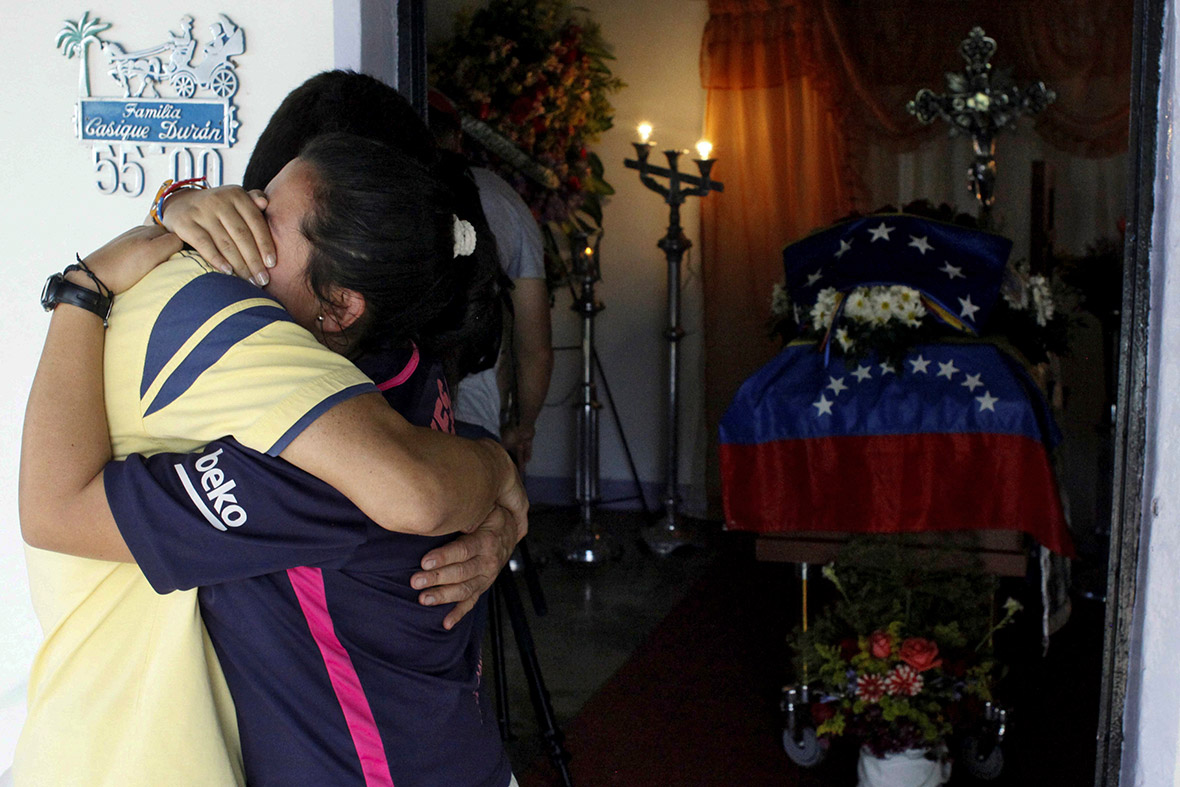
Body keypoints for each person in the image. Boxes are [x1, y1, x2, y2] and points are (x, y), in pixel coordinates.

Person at [17, 72, 523, 785]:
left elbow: (57, 509)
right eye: (243, 206)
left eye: (262, 221)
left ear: (340, 306)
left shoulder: (312, 461)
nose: (233, 238)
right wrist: (174, 203)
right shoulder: (407, 358)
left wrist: (82, 289)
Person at [428, 90, 554, 469]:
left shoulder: (378, 192)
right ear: (459, 138)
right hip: (473, 420)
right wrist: (523, 427)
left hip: (387, 415)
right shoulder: (500, 197)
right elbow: (535, 348)